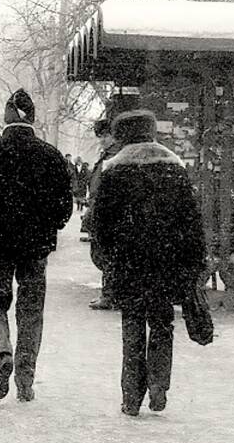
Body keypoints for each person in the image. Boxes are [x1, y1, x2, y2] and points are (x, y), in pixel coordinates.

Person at [89, 109, 205, 416]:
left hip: (129, 263)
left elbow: (100, 223)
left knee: (132, 325)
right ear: (152, 132)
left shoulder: (113, 170)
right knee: (162, 323)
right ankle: (158, 384)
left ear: (123, 135)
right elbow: (191, 220)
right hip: (166, 261)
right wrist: (193, 262)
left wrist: (108, 258)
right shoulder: (174, 167)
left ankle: (131, 395)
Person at [0, 89, 73, 402]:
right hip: (36, 246)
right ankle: (25, 381)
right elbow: (64, 205)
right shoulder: (51, 154)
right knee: (31, 312)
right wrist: (47, 228)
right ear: (33, 117)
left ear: (8, 115)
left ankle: (2, 353)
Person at [84, 118, 123, 311]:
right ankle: (110, 293)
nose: (102, 140)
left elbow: (105, 187)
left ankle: (110, 295)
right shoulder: (109, 154)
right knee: (106, 255)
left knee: (108, 256)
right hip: (103, 211)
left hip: (107, 214)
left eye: (104, 136)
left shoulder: (114, 155)